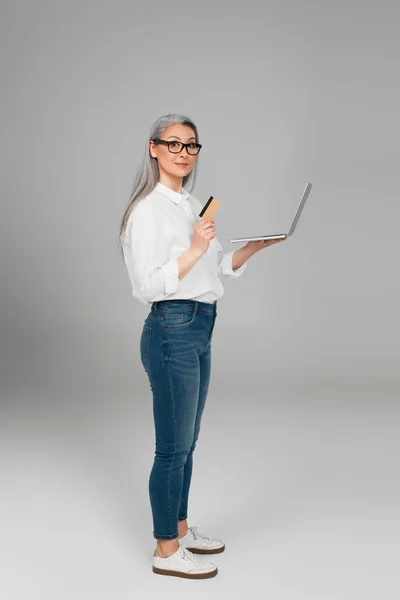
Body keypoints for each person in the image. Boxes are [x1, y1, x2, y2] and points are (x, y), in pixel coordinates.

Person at [118, 113, 285, 579]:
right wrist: (192, 248)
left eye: (191, 146)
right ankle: (165, 549)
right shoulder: (147, 210)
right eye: (173, 144)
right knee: (171, 447)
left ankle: (182, 527)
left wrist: (253, 247)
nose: (183, 153)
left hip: (201, 323)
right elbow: (148, 286)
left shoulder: (191, 203)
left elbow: (213, 270)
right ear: (153, 148)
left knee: (188, 443)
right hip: (171, 326)